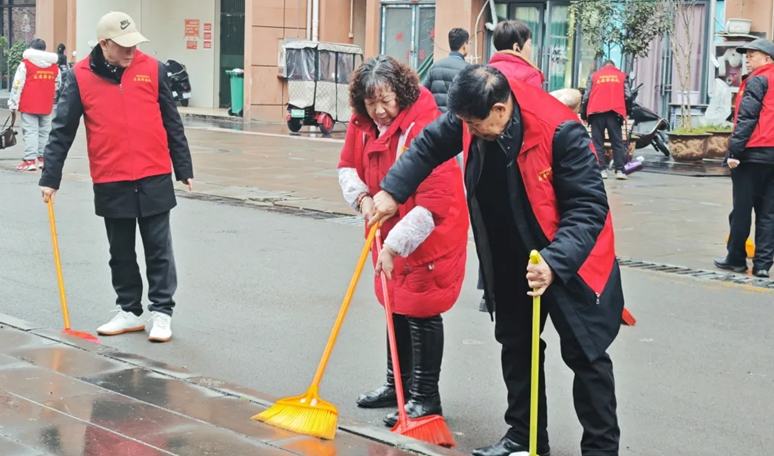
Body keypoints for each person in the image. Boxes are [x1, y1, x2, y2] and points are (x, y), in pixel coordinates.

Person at [371, 65, 623, 456]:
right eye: (464, 124)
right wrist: (391, 191)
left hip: (567, 259)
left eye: (476, 124)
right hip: (509, 254)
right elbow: (428, 145)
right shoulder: (472, 114)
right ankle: (526, 439)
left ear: (502, 110)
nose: (468, 132)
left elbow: (589, 207)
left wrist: (555, 262)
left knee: (585, 355)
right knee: (517, 345)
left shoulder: (560, 130)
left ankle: (601, 449)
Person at [39, 11, 193, 343]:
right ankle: (130, 311)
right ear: (105, 44)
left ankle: (162, 312)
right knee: (120, 250)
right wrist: (50, 177)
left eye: (134, 44)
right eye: (124, 46)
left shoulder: (153, 68)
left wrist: (183, 168)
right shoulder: (79, 77)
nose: (131, 51)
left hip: (153, 173)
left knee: (158, 248)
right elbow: (62, 130)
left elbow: (172, 122)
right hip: (111, 176)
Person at [338, 55, 468, 426]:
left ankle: (425, 397)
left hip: (427, 231)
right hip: (385, 226)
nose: (379, 110)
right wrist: (362, 198)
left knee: (422, 310)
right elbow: (347, 164)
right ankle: (397, 385)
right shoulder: (362, 124)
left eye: (387, 101)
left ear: (403, 94)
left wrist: (396, 244)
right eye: (371, 101)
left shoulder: (425, 126)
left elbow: (436, 200)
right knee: (395, 305)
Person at [714, 38, 774, 279]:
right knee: (769, 212)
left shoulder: (758, 80)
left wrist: (733, 151)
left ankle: (736, 259)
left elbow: (747, 119)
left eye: (753, 55)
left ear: (768, 59)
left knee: (741, 210)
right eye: (747, 55)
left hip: (752, 154)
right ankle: (762, 265)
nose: (748, 59)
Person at [8, 38, 61, 172]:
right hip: (47, 104)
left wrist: (13, 103)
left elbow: (17, 85)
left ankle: (29, 160)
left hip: (29, 103)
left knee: (30, 131)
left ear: (31, 48)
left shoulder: (25, 64)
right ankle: (43, 159)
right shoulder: (54, 66)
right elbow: (57, 85)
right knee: (45, 132)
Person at [581, 60, 631, 180]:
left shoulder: (594, 76)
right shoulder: (621, 76)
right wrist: (628, 112)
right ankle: (619, 170)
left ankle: (601, 169)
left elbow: (586, 96)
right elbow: (628, 95)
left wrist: (583, 114)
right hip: (614, 112)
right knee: (617, 142)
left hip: (596, 112)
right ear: (614, 66)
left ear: (602, 67)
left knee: (597, 142)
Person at [422, 27, 469, 112]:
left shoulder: (435, 66)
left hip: (436, 121)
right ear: (464, 45)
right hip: (456, 122)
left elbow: (423, 92)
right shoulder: (468, 70)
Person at [488, 20, 544, 89]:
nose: (531, 49)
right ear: (516, 47)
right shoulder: (531, 74)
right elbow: (534, 99)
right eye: (529, 44)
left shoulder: (485, 71)